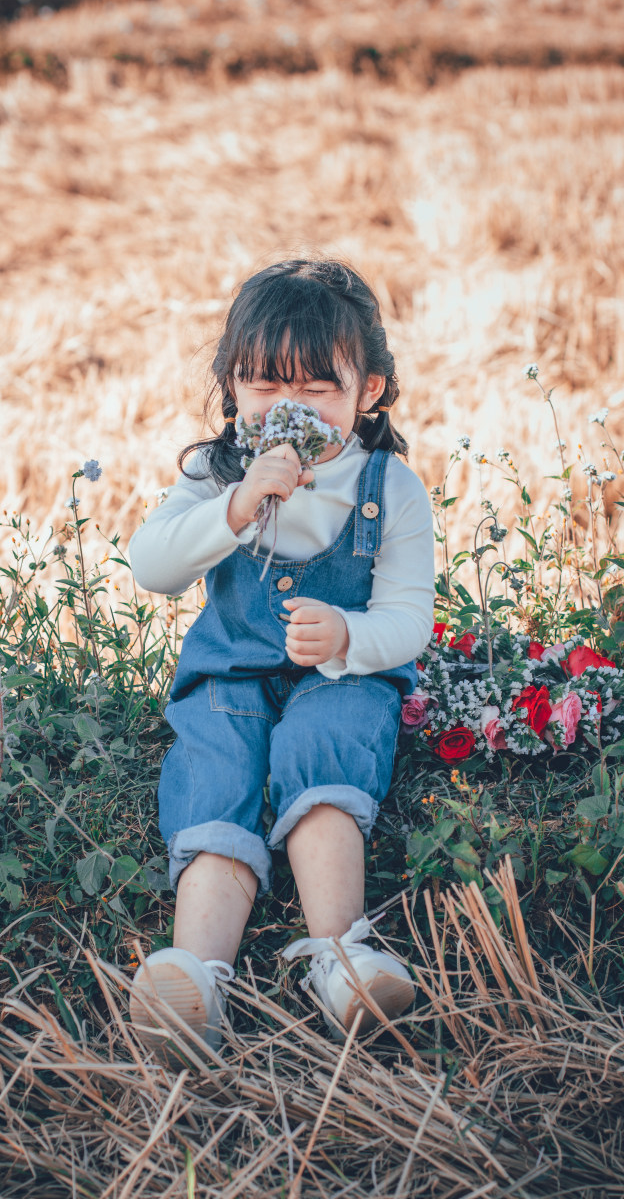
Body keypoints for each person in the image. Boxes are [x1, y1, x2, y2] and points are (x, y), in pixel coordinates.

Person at [127, 259, 434, 1060]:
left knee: (321, 754)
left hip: (342, 680)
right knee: (218, 779)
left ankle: (342, 956)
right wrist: (235, 505)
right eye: (265, 387)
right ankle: (196, 977)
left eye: (317, 391)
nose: (288, 410)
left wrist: (348, 636)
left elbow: (409, 620)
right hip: (227, 680)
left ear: (368, 390)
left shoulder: (390, 486)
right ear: (233, 384)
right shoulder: (214, 472)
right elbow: (153, 567)